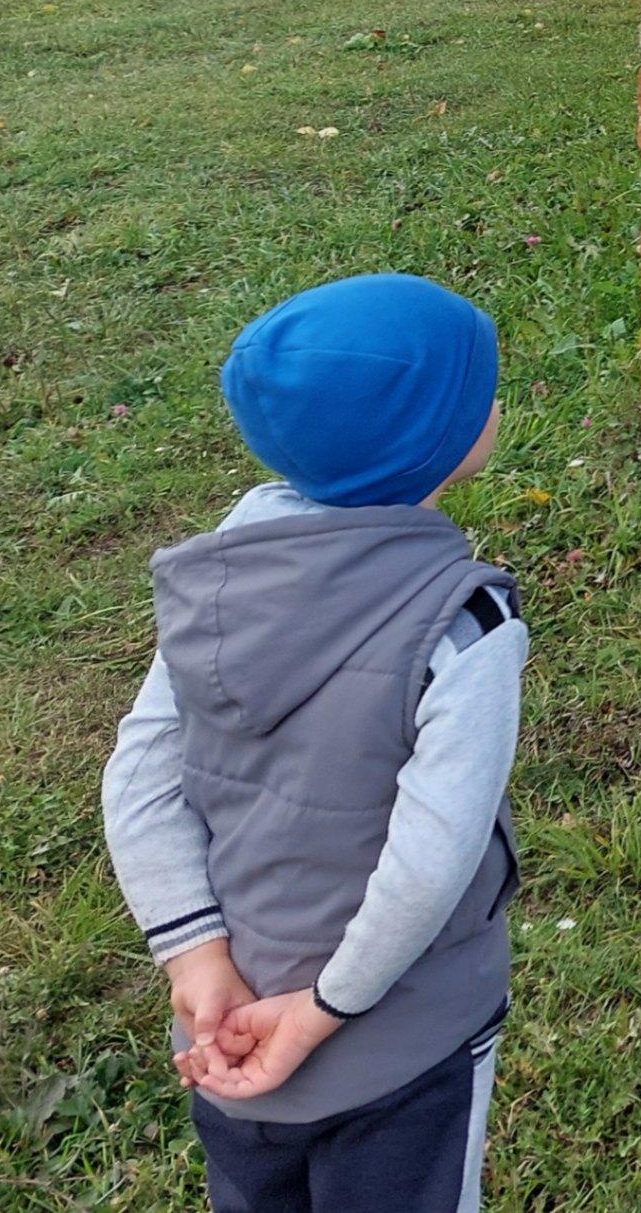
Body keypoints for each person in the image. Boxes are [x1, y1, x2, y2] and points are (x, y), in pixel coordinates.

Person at [102, 273, 526, 1213]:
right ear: (440, 441)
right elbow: (434, 854)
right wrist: (329, 1006)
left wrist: (196, 958)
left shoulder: (223, 576)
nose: (497, 401)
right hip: (403, 1038)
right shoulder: (466, 624)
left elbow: (138, 775)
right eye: (481, 389)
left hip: (225, 1022)